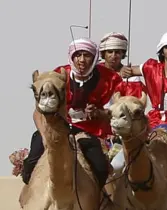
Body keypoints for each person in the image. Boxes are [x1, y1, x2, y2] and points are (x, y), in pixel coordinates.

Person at [22, 38, 121, 188]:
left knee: (101, 169)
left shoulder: (110, 79)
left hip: (90, 133)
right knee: (29, 167)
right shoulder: (57, 76)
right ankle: (29, 201)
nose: (81, 60)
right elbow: (39, 111)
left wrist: (99, 112)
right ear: (71, 56)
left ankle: (99, 205)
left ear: (94, 57)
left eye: (87, 55)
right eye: (77, 55)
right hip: (57, 129)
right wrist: (44, 135)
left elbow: (116, 110)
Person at [98, 32, 147, 106]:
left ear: (123, 54)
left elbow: (133, 107)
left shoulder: (131, 78)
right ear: (103, 54)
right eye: (110, 52)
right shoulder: (95, 72)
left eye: (117, 52)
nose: (113, 56)